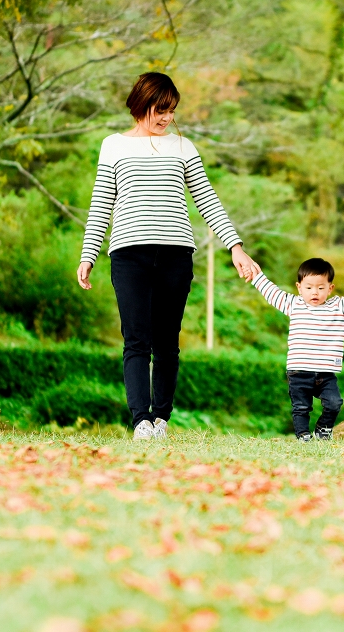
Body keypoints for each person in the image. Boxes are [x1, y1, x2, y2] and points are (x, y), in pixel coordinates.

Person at [77, 72, 257, 441]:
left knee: (167, 342)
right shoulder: (112, 146)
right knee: (136, 340)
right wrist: (88, 254)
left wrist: (235, 247)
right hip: (129, 255)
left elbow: (207, 200)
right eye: (160, 110)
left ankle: (161, 418)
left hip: (176, 254)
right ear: (141, 104)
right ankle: (140, 420)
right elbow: (100, 205)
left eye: (171, 111)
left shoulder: (183, 147)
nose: (166, 118)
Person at [249, 258, 344, 441]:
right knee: (301, 407)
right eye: (308, 288)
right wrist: (256, 275)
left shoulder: (339, 307)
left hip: (326, 373)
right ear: (299, 287)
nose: (314, 292)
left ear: (330, 288)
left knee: (334, 403)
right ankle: (303, 436)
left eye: (320, 287)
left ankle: (323, 428)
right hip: (299, 371)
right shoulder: (294, 304)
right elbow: (272, 292)